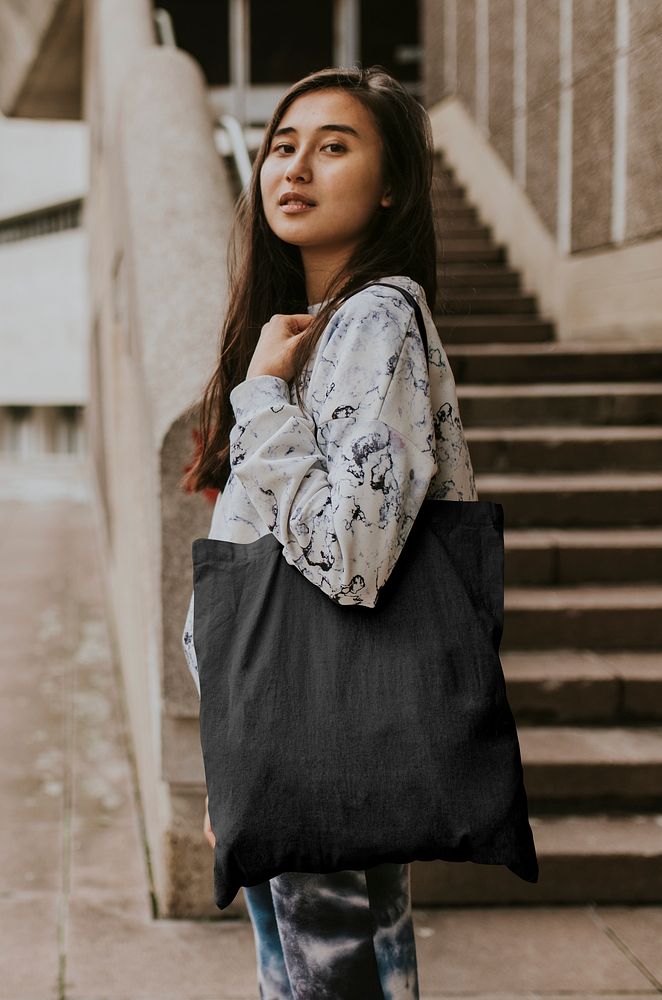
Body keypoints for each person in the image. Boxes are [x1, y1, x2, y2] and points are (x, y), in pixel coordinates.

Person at [181, 64, 477, 1000]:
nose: (293, 166)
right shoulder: (311, 330)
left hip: (320, 718)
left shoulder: (376, 317)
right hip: (285, 723)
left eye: (333, 146)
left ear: (389, 185)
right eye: (281, 144)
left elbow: (350, 555)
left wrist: (262, 398)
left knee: (326, 979)